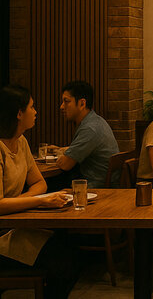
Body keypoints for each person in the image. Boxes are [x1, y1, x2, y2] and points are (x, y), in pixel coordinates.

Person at [0, 85, 79, 299]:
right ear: (18, 113)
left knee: (69, 251)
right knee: (62, 264)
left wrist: (19, 200)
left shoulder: (21, 141)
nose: (36, 112)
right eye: (32, 107)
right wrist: (38, 202)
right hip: (3, 234)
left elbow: (40, 184)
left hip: (15, 225)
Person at [55, 80, 119, 188]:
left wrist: (61, 156)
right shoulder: (96, 121)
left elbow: (65, 164)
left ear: (82, 104)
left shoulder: (90, 129)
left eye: (66, 101)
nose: (62, 107)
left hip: (95, 189)